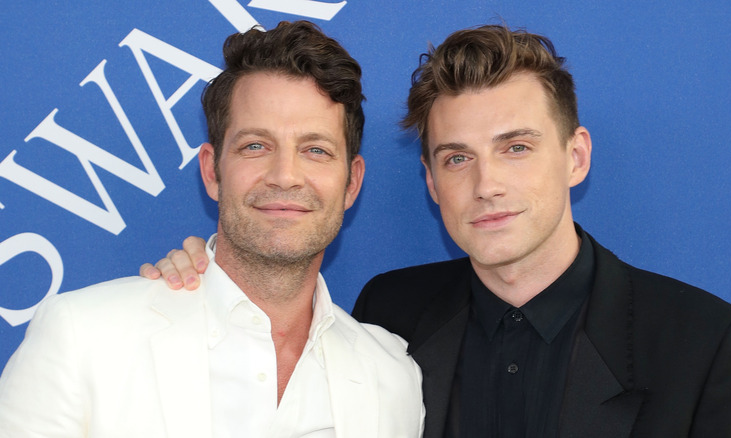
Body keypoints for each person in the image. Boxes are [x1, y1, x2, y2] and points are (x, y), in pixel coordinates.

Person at [141, 25, 731, 437]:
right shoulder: (391, 314)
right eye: (457, 157)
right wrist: (207, 277)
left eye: (516, 148)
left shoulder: (702, 343)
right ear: (432, 181)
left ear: (575, 157)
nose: (486, 184)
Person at [0, 21, 424, 438]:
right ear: (211, 171)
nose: (284, 175)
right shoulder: (81, 339)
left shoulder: (391, 376)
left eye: (315, 150)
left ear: (351, 183)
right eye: (255, 146)